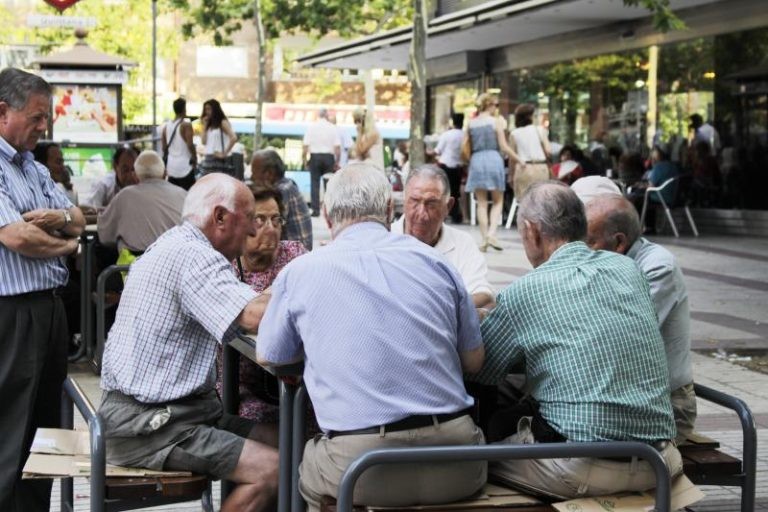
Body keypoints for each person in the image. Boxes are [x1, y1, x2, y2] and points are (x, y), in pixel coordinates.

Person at [256, 163, 486, 511]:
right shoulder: (437, 263)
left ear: (326, 215)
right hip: (458, 463)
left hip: (361, 469)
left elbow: (269, 353)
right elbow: (474, 360)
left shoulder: (301, 271)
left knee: (304, 463)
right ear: (390, 210)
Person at [471, 181, 681, 500]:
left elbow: (480, 370)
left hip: (582, 467)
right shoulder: (628, 268)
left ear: (532, 231)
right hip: (660, 459)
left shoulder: (525, 291)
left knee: (473, 461)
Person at [98, 174, 277, 512]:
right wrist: (302, 284)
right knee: (272, 470)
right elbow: (255, 315)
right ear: (220, 217)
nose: (254, 230)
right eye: (250, 218)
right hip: (149, 426)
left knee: (286, 440)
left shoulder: (175, 243)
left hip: (169, 414)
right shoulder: (194, 255)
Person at [0, 67, 86, 512]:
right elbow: (17, 236)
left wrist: (61, 222)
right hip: (13, 312)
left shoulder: (32, 167)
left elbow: (76, 217)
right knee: (11, 425)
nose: (43, 126)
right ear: (2, 112)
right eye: (36, 117)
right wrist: (67, 244)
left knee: (46, 426)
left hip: (49, 310)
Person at [583, 194, 696, 443]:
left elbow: (613, 338)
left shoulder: (658, 267)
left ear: (619, 242)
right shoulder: (606, 264)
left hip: (666, 407)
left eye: (589, 242)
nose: (581, 252)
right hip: (622, 396)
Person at [216, 187, 307, 425]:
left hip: (293, 377)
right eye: (260, 219)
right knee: (256, 421)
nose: (271, 228)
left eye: (276, 219)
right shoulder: (226, 265)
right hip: (242, 384)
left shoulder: (294, 254)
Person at [392, 165, 494, 309]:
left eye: (431, 204)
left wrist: (437, 311)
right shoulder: (384, 237)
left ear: (448, 206)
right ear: (404, 201)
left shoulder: (462, 243)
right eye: (414, 201)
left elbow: (483, 294)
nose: (421, 214)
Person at [97, 150, 186, 255]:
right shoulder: (183, 195)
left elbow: (105, 237)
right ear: (165, 173)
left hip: (135, 264)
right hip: (177, 261)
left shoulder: (125, 195)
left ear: (136, 175)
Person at [464, 93, 522, 252]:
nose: (496, 108)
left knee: (481, 203)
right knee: (498, 201)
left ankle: (484, 239)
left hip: (476, 160)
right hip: (493, 159)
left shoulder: (471, 123)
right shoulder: (496, 122)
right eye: (496, 105)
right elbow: (504, 146)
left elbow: (465, 145)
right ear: (489, 105)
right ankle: (491, 234)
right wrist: (519, 159)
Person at [251, 149, 313, 250]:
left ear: (269, 173)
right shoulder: (287, 184)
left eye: (254, 172)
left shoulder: (281, 191)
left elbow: (266, 227)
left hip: (295, 254)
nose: (252, 177)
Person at [302, 107, 340, 216]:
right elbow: (337, 147)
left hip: (315, 157)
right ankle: (329, 210)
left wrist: (304, 160)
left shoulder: (311, 127)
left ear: (318, 115)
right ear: (327, 115)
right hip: (329, 157)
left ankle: (316, 210)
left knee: (314, 184)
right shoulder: (332, 128)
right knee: (329, 185)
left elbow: (305, 146)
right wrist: (336, 161)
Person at [508, 103, 551, 200]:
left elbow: (512, 158)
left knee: (524, 200)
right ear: (530, 116)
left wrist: (510, 175)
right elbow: (548, 150)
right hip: (541, 168)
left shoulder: (514, 133)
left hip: (523, 169)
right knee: (541, 199)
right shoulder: (540, 130)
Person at [434, 113, 465, 223]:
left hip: (445, 166)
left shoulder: (447, 135)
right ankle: (455, 215)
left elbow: (438, 150)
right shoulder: (464, 135)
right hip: (458, 167)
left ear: (453, 122)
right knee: (455, 192)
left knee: (443, 190)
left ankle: (443, 214)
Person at [162, 97, 197, 190]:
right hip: (185, 167)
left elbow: (164, 147)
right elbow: (190, 144)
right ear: (184, 109)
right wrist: (195, 157)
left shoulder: (166, 126)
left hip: (171, 167)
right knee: (188, 194)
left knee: (174, 195)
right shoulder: (186, 125)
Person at [200, 99, 238, 177]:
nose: (207, 112)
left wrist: (224, 153)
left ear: (215, 109)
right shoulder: (208, 125)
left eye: (209, 109)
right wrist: (204, 125)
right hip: (208, 159)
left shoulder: (222, 122)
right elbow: (203, 142)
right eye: (205, 109)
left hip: (219, 160)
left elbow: (233, 137)